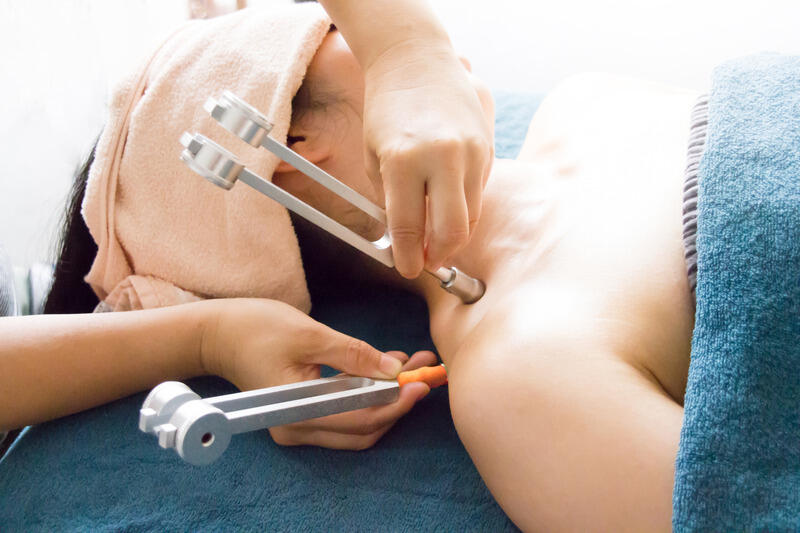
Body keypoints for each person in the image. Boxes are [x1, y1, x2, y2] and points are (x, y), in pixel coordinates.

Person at [3, 6, 698, 532]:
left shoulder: (589, 103)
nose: (378, 28)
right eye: (336, 32)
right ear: (289, 151)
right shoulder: (520, 375)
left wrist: (406, 49)